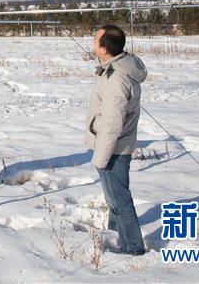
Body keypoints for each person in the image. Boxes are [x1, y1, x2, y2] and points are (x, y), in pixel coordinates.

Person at [85, 24, 147, 255]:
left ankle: (133, 248)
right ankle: (116, 232)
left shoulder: (116, 79)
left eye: (95, 39)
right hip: (115, 145)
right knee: (115, 199)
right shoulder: (117, 67)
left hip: (113, 149)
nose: (93, 42)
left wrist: (100, 158)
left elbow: (112, 124)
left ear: (104, 48)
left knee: (120, 200)